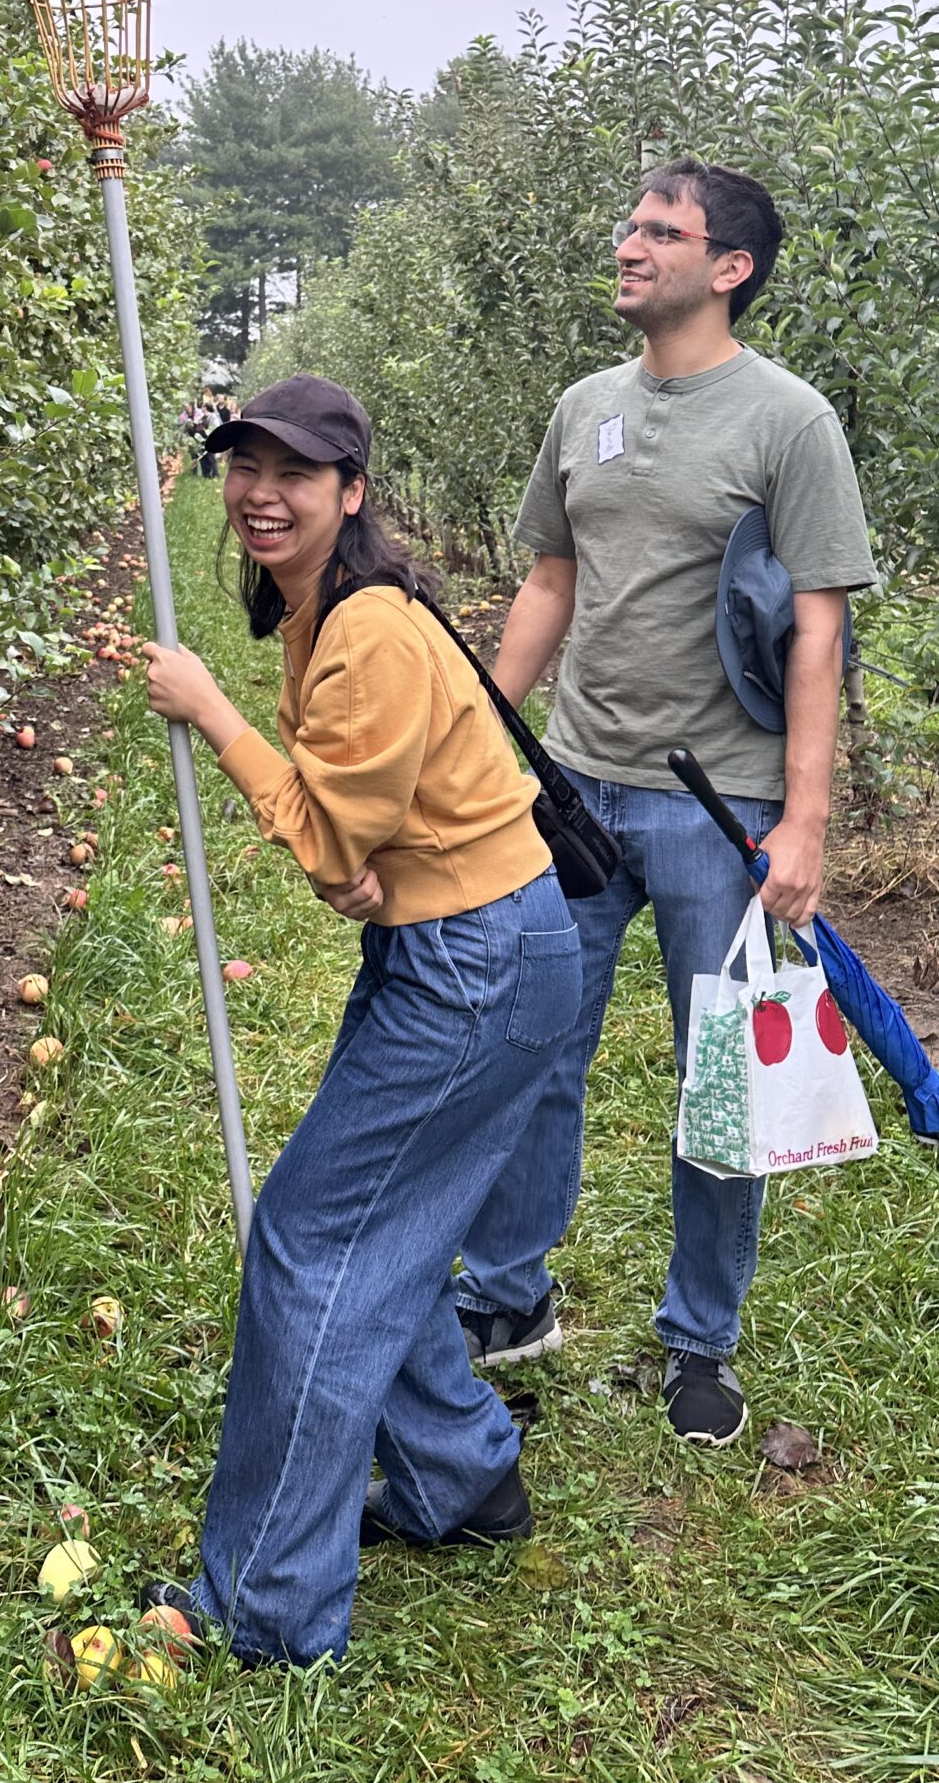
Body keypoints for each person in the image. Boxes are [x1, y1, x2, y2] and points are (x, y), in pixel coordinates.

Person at [137, 374, 579, 1664]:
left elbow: (329, 832)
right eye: (244, 467)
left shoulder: (370, 627)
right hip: (476, 944)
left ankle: (264, 1605)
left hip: (473, 964)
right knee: (378, 1231)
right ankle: (463, 1479)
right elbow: (350, 842)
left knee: (311, 1245)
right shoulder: (320, 608)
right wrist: (355, 856)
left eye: (294, 473)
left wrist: (211, 713)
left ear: (352, 490)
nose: (261, 494)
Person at [454, 158, 877, 1449]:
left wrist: (802, 821)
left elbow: (818, 629)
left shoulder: (786, 421)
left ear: (729, 267)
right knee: (531, 1052)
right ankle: (506, 1295)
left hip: (719, 808)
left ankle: (701, 1340)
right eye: (629, 224)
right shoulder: (584, 406)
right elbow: (546, 585)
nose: (629, 245)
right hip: (573, 787)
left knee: (722, 1082)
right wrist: (478, 737)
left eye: (660, 231)